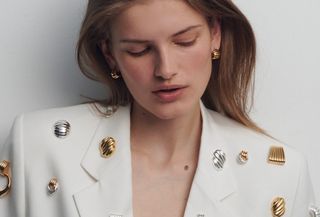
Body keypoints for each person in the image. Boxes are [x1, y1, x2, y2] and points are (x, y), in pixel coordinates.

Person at [0, 0, 318, 216]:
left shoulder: (280, 175)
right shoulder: (38, 147)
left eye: (184, 42)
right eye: (139, 50)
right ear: (110, 55)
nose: (165, 69)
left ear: (215, 35)